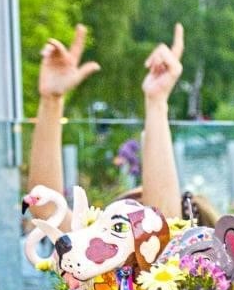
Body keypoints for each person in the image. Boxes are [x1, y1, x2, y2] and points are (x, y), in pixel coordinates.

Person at [28, 23, 184, 217]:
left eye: (141, 202)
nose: (135, 204)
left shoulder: (153, 240)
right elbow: (46, 207)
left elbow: (163, 223)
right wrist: (51, 102)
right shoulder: (98, 241)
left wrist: (157, 102)